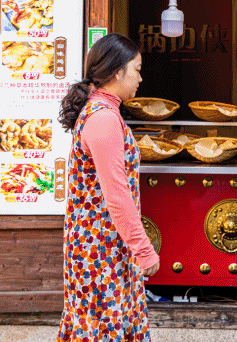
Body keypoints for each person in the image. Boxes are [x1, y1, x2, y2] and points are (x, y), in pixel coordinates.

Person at [57, 33, 160, 342]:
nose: (140, 78)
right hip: (100, 251)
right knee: (103, 328)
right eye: (137, 69)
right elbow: (117, 196)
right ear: (118, 73)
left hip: (100, 245)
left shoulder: (101, 112)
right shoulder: (103, 120)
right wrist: (144, 250)